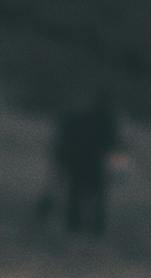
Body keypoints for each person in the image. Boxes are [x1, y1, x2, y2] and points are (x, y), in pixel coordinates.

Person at [50, 94, 121, 238]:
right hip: (92, 161)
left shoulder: (76, 117)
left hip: (79, 160)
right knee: (92, 193)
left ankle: (76, 224)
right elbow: (112, 142)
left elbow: (63, 140)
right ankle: (91, 225)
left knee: (77, 191)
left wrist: (62, 159)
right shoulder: (103, 119)